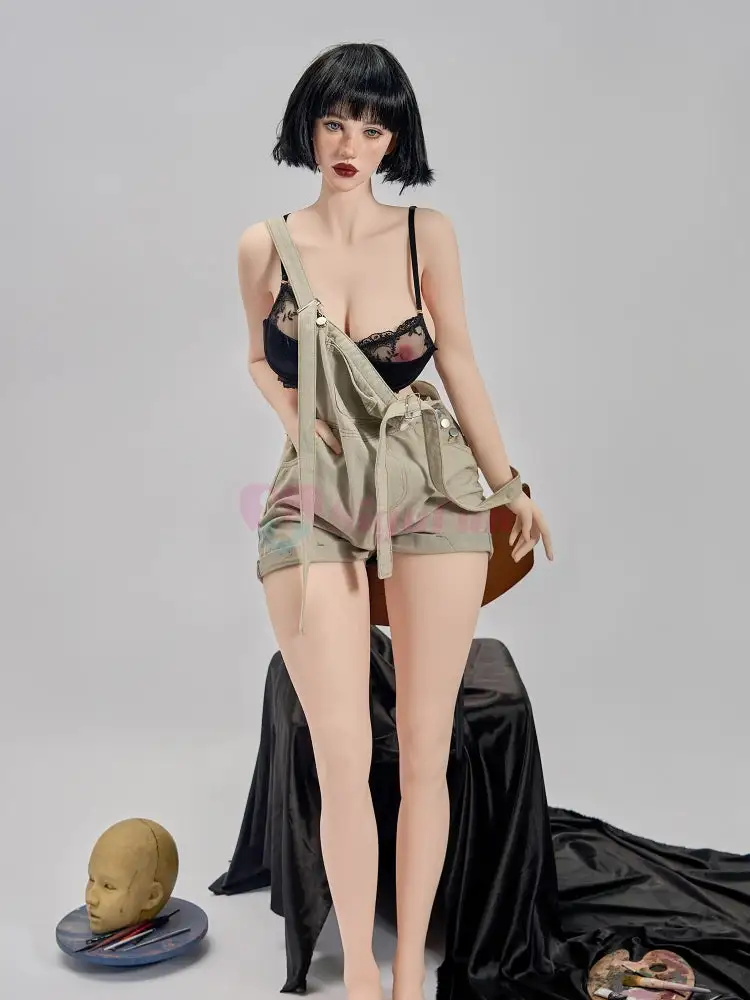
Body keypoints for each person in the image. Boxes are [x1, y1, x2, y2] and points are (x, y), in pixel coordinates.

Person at [238, 41, 553, 1000]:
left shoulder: (426, 234)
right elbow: (256, 355)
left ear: (395, 140)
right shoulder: (264, 245)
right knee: (342, 757)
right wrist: (297, 422)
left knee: (425, 750)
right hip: (316, 496)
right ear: (308, 126)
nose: (352, 144)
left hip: (433, 483)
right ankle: (362, 977)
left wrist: (508, 485)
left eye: (373, 129)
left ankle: (411, 965)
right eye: (336, 122)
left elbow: (458, 359)